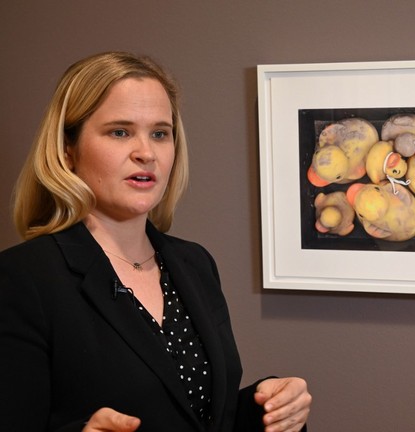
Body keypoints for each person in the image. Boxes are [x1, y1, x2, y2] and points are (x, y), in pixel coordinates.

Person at [0, 52, 311, 432]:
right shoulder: (21, 278)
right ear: (68, 149)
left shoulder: (194, 263)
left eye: (160, 133)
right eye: (120, 131)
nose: (146, 153)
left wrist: (270, 406)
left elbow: (203, 414)